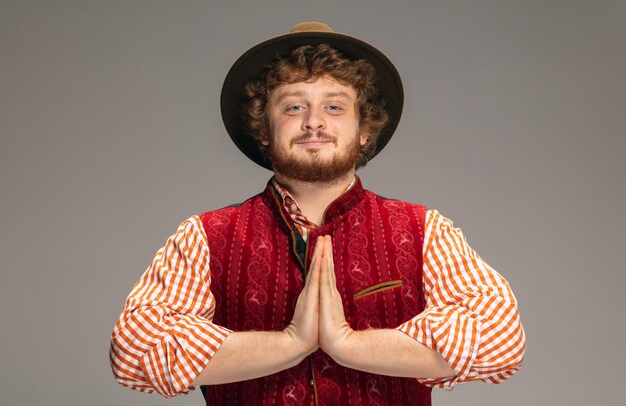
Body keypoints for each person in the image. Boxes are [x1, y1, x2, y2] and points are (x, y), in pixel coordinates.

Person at [109, 22, 526, 406]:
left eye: (334, 107)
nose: (313, 122)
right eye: (293, 108)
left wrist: (348, 345)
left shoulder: (425, 230)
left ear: (363, 130)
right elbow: (133, 350)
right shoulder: (203, 236)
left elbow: (501, 338)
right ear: (263, 132)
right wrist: (290, 343)